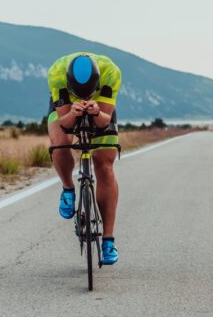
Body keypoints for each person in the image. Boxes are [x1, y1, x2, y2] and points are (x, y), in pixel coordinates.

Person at [46, 52, 121, 265]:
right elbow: (66, 124)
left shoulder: (110, 72)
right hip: (65, 108)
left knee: (104, 164)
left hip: (101, 109)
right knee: (60, 144)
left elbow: (104, 122)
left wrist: (96, 112)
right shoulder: (56, 73)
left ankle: (108, 241)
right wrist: (73, 112)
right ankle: (68, 188)